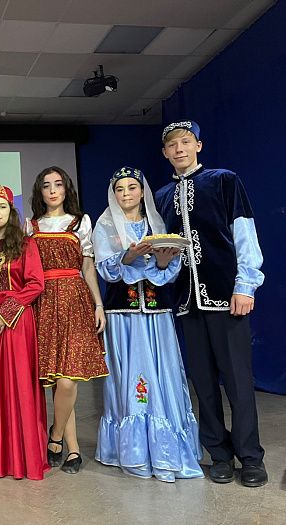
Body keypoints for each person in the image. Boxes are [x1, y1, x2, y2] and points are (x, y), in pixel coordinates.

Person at [155, 120, 267, 487]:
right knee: (203, 384)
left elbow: (244, 232)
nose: (180, 149)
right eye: (173, 145)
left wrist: (245, 286)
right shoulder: (161, 196)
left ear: (198, 146)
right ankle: (219, 454)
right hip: (187, 303)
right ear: (165, 153)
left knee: (238, 383)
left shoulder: (224, 181)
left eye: (186, 142)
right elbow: (165, 252)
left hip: (226, 297)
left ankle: (250, 457)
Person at [93, 166, 203, 482]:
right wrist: (127, 258)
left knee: (164, 375)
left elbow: (168, 271)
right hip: (123, 316)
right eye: (120, 189)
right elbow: (107, 271)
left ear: (142, 191)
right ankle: (134, 451)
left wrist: (164, 262)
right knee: (131, 378)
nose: (126, 194)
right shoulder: (105, 226)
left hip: (157, 314)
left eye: (132, 187)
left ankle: (168, 449)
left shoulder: (157, 224)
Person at [26, 166, 108, 474]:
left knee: (68, 378)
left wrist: (98, 304)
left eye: (58, 184)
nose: (52, 190)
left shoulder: (80, 222)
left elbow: (87, 267)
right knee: (56, 379)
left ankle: (56, 436)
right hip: (43, 301)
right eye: (46, 185)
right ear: (40, 191)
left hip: (75, 300)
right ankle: (73, 450)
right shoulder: (31, 225)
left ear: (66, 189)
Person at [0, 185, 49, 480]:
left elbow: (35, 284)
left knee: (17, 387)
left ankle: (21, 457)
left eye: (2, 206)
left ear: (11, 211)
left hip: (15, 321)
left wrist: (6, 311)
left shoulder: (26, 244)